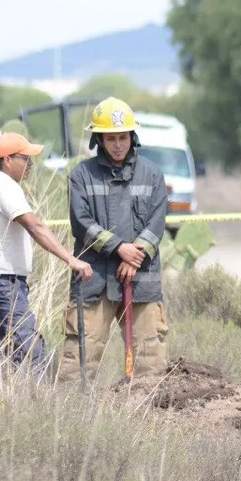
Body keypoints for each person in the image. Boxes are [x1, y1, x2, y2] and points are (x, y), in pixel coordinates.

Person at [57, 97, 169, 384]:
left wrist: (136, 257)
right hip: (94, 280)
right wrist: (120, 248)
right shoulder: (81, 175)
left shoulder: (152, 174)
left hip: (141, 279)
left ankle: (147, 423)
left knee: (150, 363)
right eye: (111, 138)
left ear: (132, 137)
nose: (118, 144)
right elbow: (81, 223)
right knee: (79, 360)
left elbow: (156, 221)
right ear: (99, 139)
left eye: (123, 137)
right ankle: (72, 419)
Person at [0, 132, 93, 377]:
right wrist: (71, 260)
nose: (31, 165)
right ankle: (41, 405)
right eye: (25, 159)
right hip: (4, 285)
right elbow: (35, 227)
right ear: (7, 160)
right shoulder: (5, 187)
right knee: (31, 355)